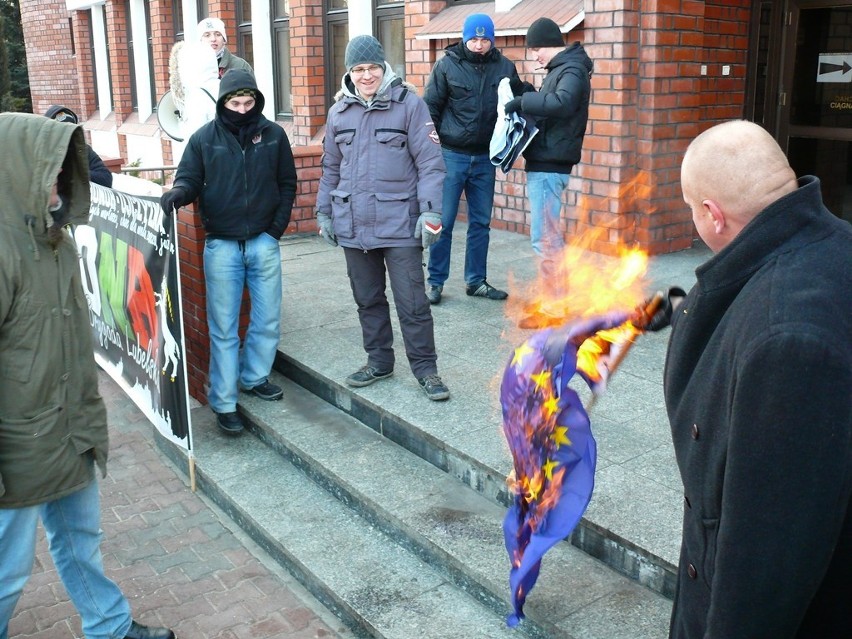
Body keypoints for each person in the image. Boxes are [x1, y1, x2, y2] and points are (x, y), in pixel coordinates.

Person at [648, 120, 852, 638]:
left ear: (713, 215)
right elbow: (745, 299)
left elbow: (765, 556)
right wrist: (678, 309)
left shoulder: (789, 343)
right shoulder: (830, 244)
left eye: (693, 209)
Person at [0, 113, 175, 639]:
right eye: (47, 170)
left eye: (62, 170)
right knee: (7, 569)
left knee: (80, 538)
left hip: (69, 426)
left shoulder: (54, 240)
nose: (58, 182)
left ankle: (111, 626)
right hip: (18, 444)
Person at [159, 69, 297, 435]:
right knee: (223, 328)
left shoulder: (273, 135)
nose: (241, 109)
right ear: (222, 103)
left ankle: (254, 377)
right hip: (220, 245)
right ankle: (224, 402)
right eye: (234, 103)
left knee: (267, 319)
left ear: (257, 100)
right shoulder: (204, 139)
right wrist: (177, 194)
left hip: (263, 243)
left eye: (248, 102)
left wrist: (274, 231)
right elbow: (188, 179)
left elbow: (287, 184)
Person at [315, 35, 451, 401]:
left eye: (372, 67)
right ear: (349, 72)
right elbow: (330, 167)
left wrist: (431, 212)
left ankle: (427, 370)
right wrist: (324, 210)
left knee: (413, 303)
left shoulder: (410, 106)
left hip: (400, 224)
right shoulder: (339, 112)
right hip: (354, 224)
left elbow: (431, 164)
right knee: (368, 299)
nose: (366, 75)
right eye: (358, 69)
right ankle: (379, 362)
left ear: (384, 67)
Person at [422, 13, 523, 305]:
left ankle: (476, 280)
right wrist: (432, 150)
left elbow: (513, 105)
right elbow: (430, 109)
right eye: (474, 39)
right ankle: (435, 282)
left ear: (492, 40)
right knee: (444, 222)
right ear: (465, 38)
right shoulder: (446, 65)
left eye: (485, 39)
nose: (479, 45)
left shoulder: (505, 67)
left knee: (481, 222)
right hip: (451, 155)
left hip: (484, 158)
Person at [503, 18, 592, 301]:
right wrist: (527, 91)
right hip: (546, 162)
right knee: (547, 237)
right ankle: (556, 299)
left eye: (535, 49)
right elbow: (552, 103)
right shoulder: (563, 69)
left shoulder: (572, 70)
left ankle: (555, 305)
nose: (534, 55)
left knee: (546, 239)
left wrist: (522, 103)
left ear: (547, 45)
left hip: (549, 165)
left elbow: (562, 104)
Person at [44, 105, 114, 188]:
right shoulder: (42, 153)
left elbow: (106, 179)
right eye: (60, 131)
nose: (66, 135)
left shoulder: (83, 150)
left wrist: (77, 173)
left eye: (70, 130)